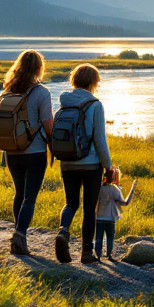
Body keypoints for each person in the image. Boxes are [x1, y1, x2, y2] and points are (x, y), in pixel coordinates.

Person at [55, 63, 111, 265]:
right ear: (94, 82)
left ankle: (63, 231)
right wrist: (108, 165)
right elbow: (100, 140)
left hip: (67, 162)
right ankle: (86, 253)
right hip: (91, 164)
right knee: (89, 209)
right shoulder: (95, 105)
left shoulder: (64, 104)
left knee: (70, 203)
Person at [1, 50, 53, 256]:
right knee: (29, 198)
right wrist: (53, 144)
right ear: (39, 68)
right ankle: (20, 235)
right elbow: (48, 124)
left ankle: (17, 235)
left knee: (19, 193)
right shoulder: (42, 93)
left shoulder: (7, 90)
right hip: (35, 151)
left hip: (12, 151)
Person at [94, 166, 137, 261]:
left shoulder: (98, 188)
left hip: (99, 217)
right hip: (110, 218)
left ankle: (98, 256)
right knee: (110, 238)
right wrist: (132, 189)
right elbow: (125, 203)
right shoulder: (114, 189)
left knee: (98, 237)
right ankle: (109, 255)